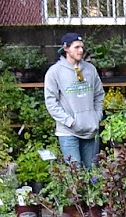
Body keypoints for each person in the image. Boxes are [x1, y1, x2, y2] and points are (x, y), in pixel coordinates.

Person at [44, 32, 103, 166]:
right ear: (66, 48)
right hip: (68, 132)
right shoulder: (54, 72)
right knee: (75, 175)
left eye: (82, 47)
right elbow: (51, 102)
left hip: (90, 129)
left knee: (92, 173)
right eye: (76, 47)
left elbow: (99, 95)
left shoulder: (90, 70)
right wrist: (70, 122)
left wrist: (96, 116)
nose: (81, 50)